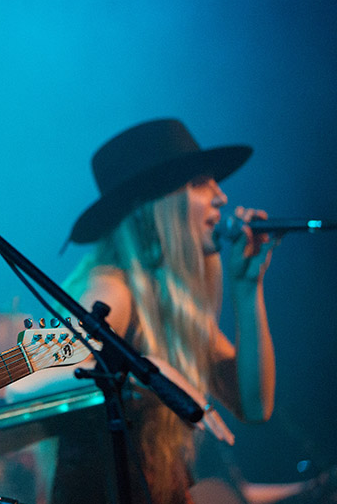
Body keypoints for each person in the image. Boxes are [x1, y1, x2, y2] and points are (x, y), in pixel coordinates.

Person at [34, 118, 277, 504]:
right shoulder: (111, 289)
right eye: (199, 183)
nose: (221, 196)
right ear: (156, 205)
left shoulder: (169, 304)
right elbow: (36, 374)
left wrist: (248, 288)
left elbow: (255, 405)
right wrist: (146, 369)